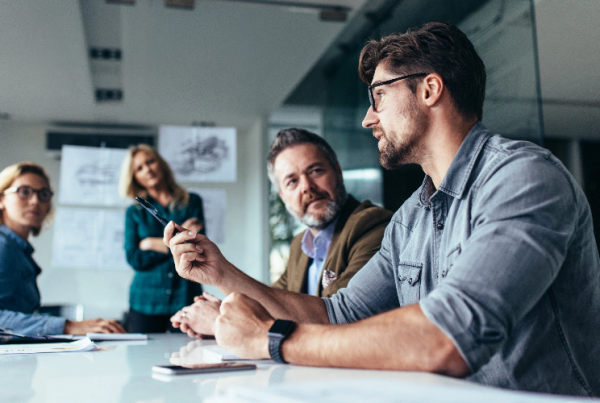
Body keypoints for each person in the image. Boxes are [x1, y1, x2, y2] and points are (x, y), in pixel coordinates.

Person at [164, 22, 600, 396]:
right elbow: (336, 315)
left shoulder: (523, 178)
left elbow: (447, 337)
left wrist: (272, 339)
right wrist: (220, 273)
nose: (368, 119)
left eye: (379, 96)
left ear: (429, 89)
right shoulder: (411, 217)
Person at [170, 129, 393, 337]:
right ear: (282, 195)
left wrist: (221, 320)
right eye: (292, 181)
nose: (306, 186)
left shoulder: (373, 226)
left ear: (337, 170)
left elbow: (336, 320)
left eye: (315, 171)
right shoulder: (300, 245)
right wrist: (225, 310)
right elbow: (272, 305)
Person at [0, 162, 125, 336]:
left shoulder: (19, 250)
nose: (35, 201)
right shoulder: (3, 246)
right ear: (1, 199)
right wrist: (68, 326)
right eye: (24, 192)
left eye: (43, 194)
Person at [120, 144, 204, 333]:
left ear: (161, 164)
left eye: (150, 162)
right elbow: (134, 258)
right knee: (142, 359)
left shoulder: (192, 202)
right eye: (139, 168)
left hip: (185, 296)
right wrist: (177, 243)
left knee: (188, 355)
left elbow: (196, 248)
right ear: (135, 178)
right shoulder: (134, 212)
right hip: (145, 300)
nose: (147, 169)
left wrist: (149, 243)